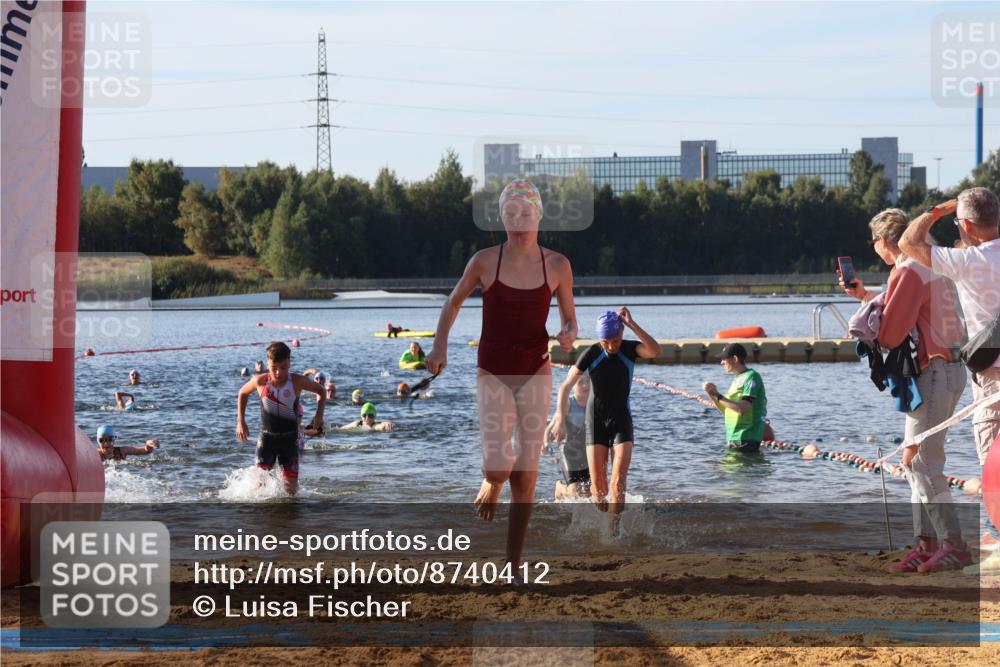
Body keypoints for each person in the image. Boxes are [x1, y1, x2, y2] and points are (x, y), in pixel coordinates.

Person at [425, 178, 577, 572]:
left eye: (525, 213)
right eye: (510, 214)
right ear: (501, 218)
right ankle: (491, 481)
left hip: (536, 369)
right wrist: (440, 346)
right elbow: (452, 303)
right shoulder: (485, 260)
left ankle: (512, 564)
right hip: (492, 370)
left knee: (526, 476)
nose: (518, 221)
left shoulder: (557, 265)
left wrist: (567, 334)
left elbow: (569, 319)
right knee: (498, 466)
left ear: (539, 215)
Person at [843, 208, 970, 573]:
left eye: (874, 242)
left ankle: (953, 545)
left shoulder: (907, 269)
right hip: (952, 368)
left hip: (932, 372)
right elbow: (918, 309)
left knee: (920, 462)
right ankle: (928, 545)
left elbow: (890, 333)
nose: (875, 249)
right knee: (917, 460)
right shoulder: (934, 263)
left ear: (886, 240)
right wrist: (868, 296)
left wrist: (869, 320)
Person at [899, 187, 1000, 574]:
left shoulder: (967, 260)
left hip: (991, 380)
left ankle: (968, 546)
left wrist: (936, 211)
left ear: (969, 226)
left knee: (993, 465)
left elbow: (909, 241)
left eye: (960, 222)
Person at [553, 309, 660, 526]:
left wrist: (632, 324)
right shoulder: (592, 353)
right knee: (599, 491)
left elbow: (655, 351)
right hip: (595, 422)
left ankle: (612, 534)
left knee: (619, 481)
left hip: (621, 420)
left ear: (622, 334)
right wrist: (559, 417)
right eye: (606, 341)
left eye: (616, 340)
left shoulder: (629, 349)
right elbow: (565, 387)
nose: (611, 346)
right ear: (599, 338)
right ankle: (594, 519)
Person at [236, 341, 325, 495]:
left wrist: (319, 416)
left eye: (283, 368)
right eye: (273, 368)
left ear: (289, 363)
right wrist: (240, 421)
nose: (278, 373)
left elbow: (321, 391)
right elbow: (242, 393)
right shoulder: (261, 381)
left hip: (289, 441)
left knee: (291, 492)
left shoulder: (297, 382)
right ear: (268, 365)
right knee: (259, 488)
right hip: (266, 440)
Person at [702, 343, 768, 454]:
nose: (721, 362)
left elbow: (742, 409)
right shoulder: (737, 379)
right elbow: (726, 411)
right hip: (734, 438)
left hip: (747, 438)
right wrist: (712, 394)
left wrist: (718, 395)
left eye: (724, 359)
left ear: (735, 359)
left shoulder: (751, 377)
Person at [545, 374, 592, 500]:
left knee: (587, 494)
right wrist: (545, 443)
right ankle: (560, 488)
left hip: (587, 453)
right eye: (580, 382)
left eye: (588, 381)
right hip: (569, 453)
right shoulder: (568, 404)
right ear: (571, 386)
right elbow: (550, 427)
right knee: (574, 493)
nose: (585, 385)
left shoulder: (594, 405)